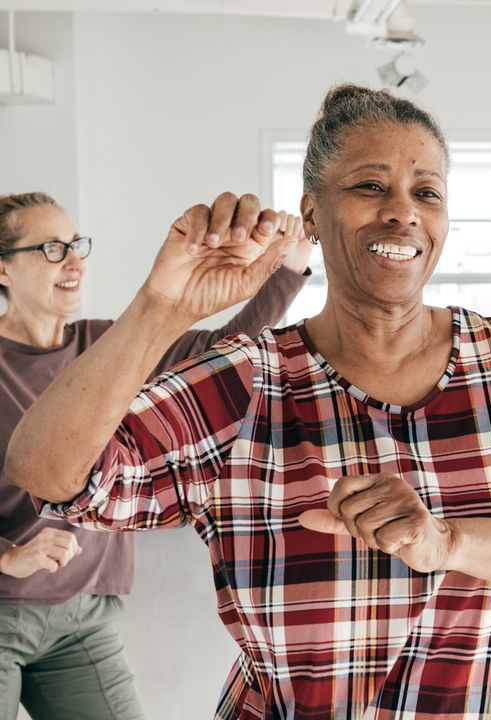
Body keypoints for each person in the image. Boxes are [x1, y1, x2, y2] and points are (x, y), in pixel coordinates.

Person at [6, 85, 491, 720]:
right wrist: (162, 305)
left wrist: (446, 542)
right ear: (311, 214)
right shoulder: (249, 379)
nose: (404, 212)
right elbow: (58, 480)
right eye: (371, 187)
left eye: (427, 192)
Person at [0, 191, 311, 719]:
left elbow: (220, 349)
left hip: (84, 615)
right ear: (4, 269)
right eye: (52, 248)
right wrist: (6, 555)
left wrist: (291, 266)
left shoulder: (106, 346)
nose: (74, 261)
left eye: (76, 244)